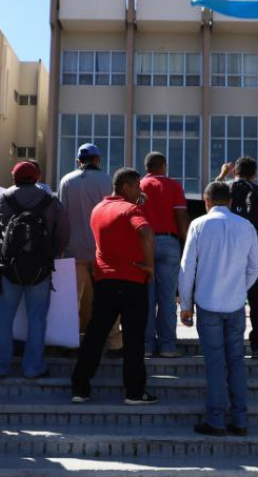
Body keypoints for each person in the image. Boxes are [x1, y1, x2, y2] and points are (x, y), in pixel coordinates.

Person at [179, 181, 258, 436]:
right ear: (229, 201)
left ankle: (215, 420)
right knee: (236, 361)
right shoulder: (246, 226)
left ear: (206, 201)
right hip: (235, 304)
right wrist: (238, 287)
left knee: (215, 362)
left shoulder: (199, 225)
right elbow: (255, 268)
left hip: (207, 303)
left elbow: (187, 267)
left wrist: (186, 303)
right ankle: (239, 420)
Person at [70, 168, 157, 404]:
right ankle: (134, 392)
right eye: (137, 186)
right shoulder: (131, 209)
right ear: (126, 187)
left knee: (95, 336)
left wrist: (138, 204)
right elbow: (146, 231)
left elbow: (120, 231)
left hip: (105, 281)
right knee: (134, 339)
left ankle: (80, 388)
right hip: (132, 281)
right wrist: (149, 265)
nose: (140, 190)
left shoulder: (98, 209)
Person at [0, 160, 69, 380]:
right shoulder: (50, 200)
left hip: (10, 266)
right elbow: (63, 230)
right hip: (41, 268)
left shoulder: (4, 198)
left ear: (14, 177)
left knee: (4, 317)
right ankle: (33, 367)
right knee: (37, 318)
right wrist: (56, 252)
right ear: (37, 178)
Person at [58, 143, 120, 354]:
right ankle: (113, 344)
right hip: (103, 251)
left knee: (72, 300)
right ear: (97, 160)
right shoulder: (108, 180)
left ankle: (70, 343)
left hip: (74, 250)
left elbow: (62, 217)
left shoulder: (67, 180)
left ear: (78, 161)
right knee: (108, 300)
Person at [217, 157, 258, 358]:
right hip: (252, 252)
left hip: (227, 253)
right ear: (254, 174)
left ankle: (228, 344)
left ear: (234, 172)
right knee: (257, 299)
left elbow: (211, 206)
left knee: (227, 298)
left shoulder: (224, 189)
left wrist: (222, 176)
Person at [140, 152, 189, 357]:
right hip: (169, 242)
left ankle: (147, 345)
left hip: (144, 243)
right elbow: (180, 216)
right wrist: (187, 243)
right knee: (168, 297)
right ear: (164, 166)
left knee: (147, 298)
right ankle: (168, 345)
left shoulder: (138, 186)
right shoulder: (174, 186)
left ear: (146, 167)